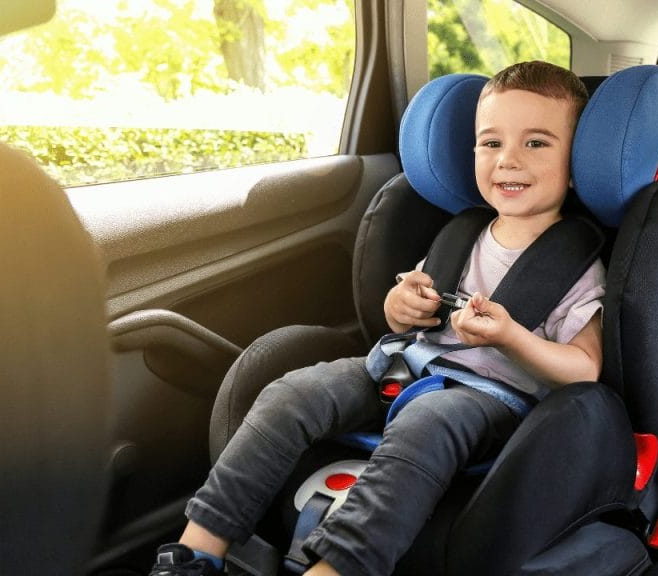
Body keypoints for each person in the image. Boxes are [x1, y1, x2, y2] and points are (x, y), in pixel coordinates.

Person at [149, 60, 605, 576]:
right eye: (491, 142)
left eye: (537, 143)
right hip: (402, 368)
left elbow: (584, 370)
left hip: (489, 399)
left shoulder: (578, 263)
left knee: (426, 422)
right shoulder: (462, 233)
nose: (508, 161)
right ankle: (197, 549)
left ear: (576, 161)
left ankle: (339, 567)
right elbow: (403, 317)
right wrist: (402, 304)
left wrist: (511, 337)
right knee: (290, 393)